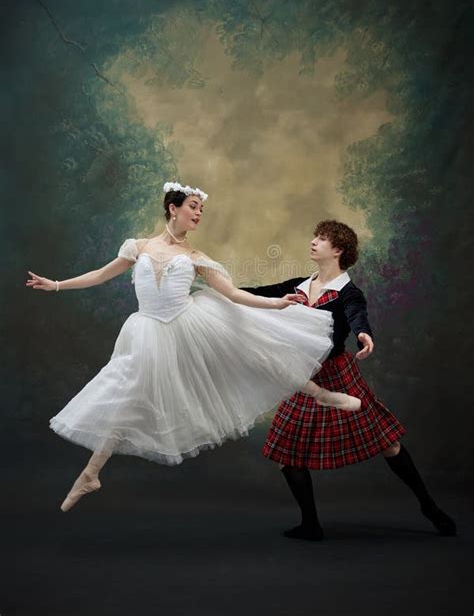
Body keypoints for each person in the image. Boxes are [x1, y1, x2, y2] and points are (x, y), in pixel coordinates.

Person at [26, 183, 360, 513]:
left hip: (190, 322)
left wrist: (275, 304)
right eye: (193, 207)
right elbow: (100, 275)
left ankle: (319, 393)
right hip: (146, 330)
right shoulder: (137, 247)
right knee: (128, 392)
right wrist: (56, 285)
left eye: (201, 209)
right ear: (173, 208)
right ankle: (91, 473)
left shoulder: (195, 257)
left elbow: (232, 294)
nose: (199, 214)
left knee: (250, 350)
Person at [242, 220, 456, 540]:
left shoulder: (347, 293)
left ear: (338, 250)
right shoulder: (299, 285)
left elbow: (357, 313)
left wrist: (363, 334)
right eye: (315, 236)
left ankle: (428, 506)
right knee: (286, 452)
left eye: (322, 239)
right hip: (303, 376)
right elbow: (257, 294)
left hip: (339, 375)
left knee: (388, 442)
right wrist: (216, 291)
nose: (314, 241)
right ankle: (311, 524)